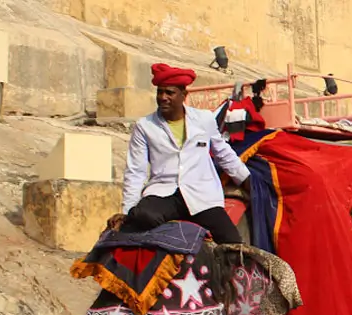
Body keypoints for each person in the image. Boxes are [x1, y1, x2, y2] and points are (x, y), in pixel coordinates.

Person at [107, 63, 251, 244]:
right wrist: (128, 211)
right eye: (160, 92)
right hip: (163, 193)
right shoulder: (144, 126)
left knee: (232, 242)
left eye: (169, 92)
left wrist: (245, 179)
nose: (163, 98)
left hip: (201, 195)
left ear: (184, 95)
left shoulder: (204, 119)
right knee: (141, 217)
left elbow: (223, 153)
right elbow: (136, 171)